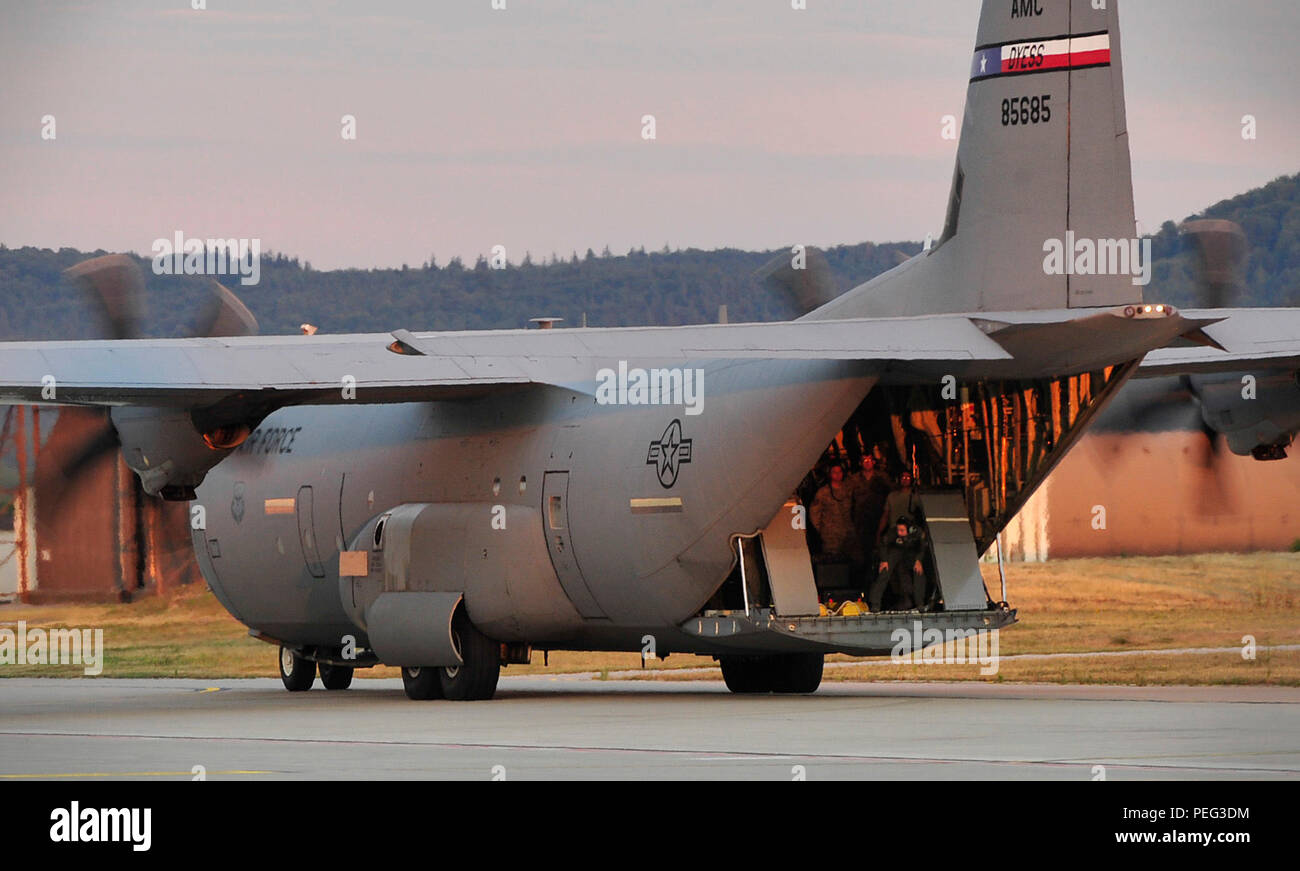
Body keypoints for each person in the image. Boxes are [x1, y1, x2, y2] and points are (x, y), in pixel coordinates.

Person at [808, 464, 866, 587]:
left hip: (848, 531)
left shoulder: (848, 489)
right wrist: (822, 529)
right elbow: (814, 512)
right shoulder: (823, 492)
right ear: (830, 474)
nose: (837, 474)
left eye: (839, 472)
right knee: (833, 565)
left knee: (856, 560)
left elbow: (858, 506)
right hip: (831, 534)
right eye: (834, 472)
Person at [869, 517, 927, 612]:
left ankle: (919, 603)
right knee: (885, 571)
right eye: (898, 530)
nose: (899, 532)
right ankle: (875, 604)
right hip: (896, 550)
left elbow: (922, 547)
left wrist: (918, 560)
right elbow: (883, 544)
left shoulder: (917, 532)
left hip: (911, 553)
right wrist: (884, 560)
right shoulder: (893, 533)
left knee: (919, 571)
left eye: (902, 530)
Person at [878, 471, 922, 541]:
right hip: (893, 530)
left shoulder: (915, 496)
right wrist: (879, 532)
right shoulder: (891, 496)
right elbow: (885, 515)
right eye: (903, 477)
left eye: (907, 478)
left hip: (908, 531)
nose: (905, 480)